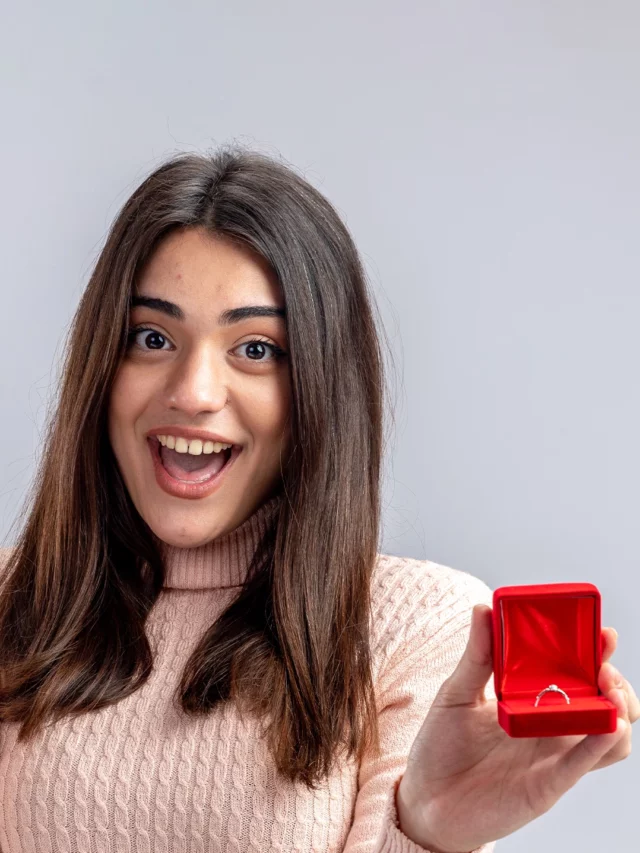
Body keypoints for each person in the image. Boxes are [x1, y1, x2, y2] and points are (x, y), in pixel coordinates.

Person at [0, 147, 635, 853]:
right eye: (153, 337)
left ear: (320, 392)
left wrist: (422, 828)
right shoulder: (11, 603)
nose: (192, 391)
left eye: (256, 349)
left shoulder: (420, 626)